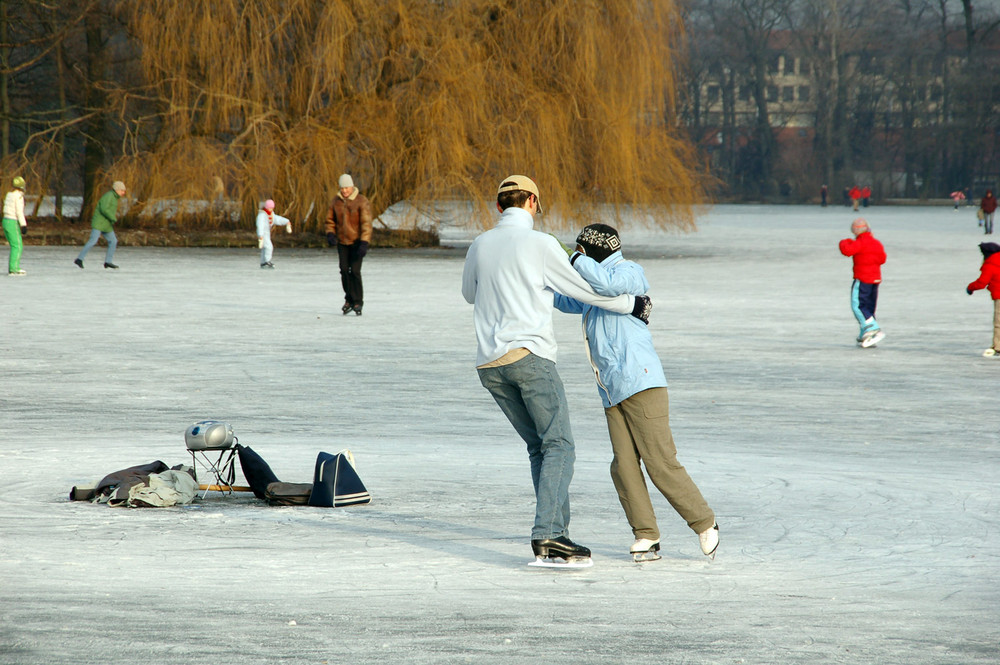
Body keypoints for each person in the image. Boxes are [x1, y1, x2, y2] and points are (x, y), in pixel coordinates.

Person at [461, 175, 651, 566]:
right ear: (531, 201)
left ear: (499, 206)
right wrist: (632, 305)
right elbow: (587, 292)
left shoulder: (480, 244)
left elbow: (469, 294)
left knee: (541, 448)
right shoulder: (542, 244)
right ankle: (549, 534)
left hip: (490, 365)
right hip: (529, 357)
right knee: (559, 446)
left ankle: (556, 533)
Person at [552, 224, 719, 562]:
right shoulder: (593, 285)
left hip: (641, 382)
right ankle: (646, 534)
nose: (579, 258)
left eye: (582, 252)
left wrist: (572, 259)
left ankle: (705, 522)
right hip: (611, 390)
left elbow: (608, 284)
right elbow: (566, 300)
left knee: (659, 462)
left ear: (594, 250)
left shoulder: (627, 271)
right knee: (624, 465)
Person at [326, 174, 373, 315]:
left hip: (357, 242)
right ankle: (349, 299)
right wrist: (330, 234)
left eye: (346, 188)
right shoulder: (336, 201)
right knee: (344, 270)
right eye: (342, 188)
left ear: (352, 187)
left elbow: (366, 224)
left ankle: (358, 301)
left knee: (355, 271)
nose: (344, 191)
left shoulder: (361, 201)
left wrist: (364, 242)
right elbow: (330, 220)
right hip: (342, 242)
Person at [839, 218, 887, 347]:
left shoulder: (860, 242)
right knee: (869, 306)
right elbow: (882, 259)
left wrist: (844, 241)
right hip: (875, 280)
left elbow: (847, 250)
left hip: (863, 279)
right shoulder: (876, 243)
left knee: (858, 305)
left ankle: (872, 328)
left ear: (856, 231)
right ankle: (865, 332)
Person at [75, 181, 126, 269]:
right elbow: (104, 209)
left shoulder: (114, 197)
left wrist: (111, 220)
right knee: (93, 241)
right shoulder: (109, 196)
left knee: (113, 241)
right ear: (116, 189)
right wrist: (113, 218)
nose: (123, 192)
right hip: (99, 223)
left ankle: (108, 262)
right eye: (122, 190)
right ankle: (79, 259)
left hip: (106, 225)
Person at [966, 242, 1000, 357]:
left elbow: (982, 283)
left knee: (998, 323)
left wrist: (970, 288)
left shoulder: (990, 264)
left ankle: (998, 346)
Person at [255, 199, 292, 268]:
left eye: (272, 208)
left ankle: (263, 262)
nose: (271, 209)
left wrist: (286, 221)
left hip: (267, 233)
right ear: (266, 207)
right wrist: (261, 235)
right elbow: (260, 225)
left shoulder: (271, 214)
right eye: (269, 208)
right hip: (263, 233)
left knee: (265, 248)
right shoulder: (262, 215)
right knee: (269, 247)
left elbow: (278, 219)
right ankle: (267, 261)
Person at [2, 176, 28, 276]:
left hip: (5, 221)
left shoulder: (9, 195)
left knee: (14, 245)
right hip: (12, 221)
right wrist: (23, 225)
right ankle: (14, 268)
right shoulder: (19, 196)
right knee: (17, 245)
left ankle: (13, 267)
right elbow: (19, 212)